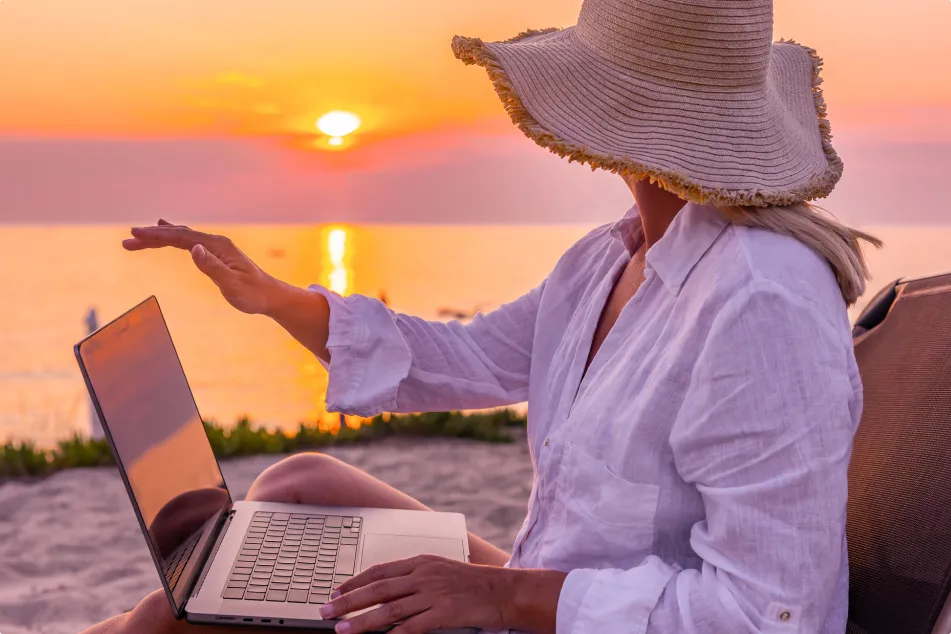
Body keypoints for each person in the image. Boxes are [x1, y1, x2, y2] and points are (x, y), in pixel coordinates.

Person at [83, 0, 882, 632]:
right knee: (301, 477)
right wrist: (273, 298)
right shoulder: (616, 255)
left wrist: (495, 601)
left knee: (164, 617)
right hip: (551, 597)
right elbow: (464, 358)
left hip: (571, 619)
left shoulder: (759, 301)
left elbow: (768, 620)